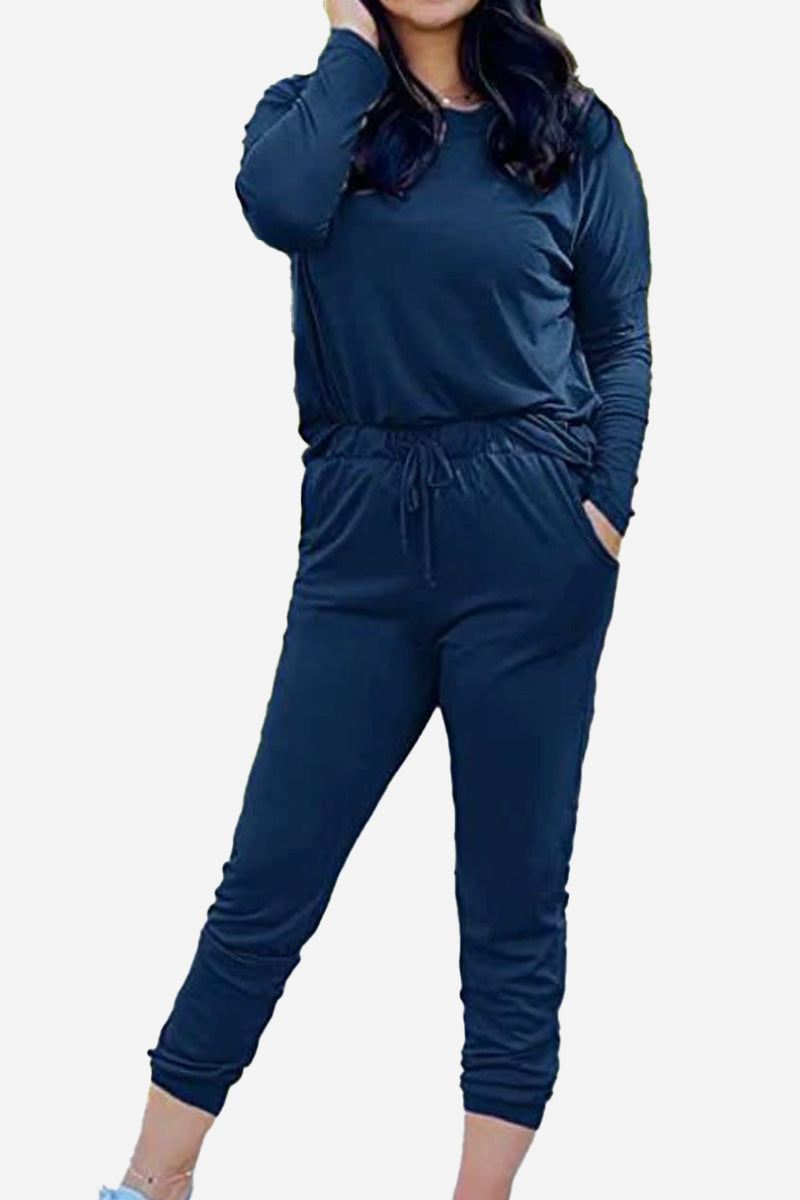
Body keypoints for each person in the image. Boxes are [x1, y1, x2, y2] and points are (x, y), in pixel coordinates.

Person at [99, 1, 652, 1197]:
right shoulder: (310, 116)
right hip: (359, 538)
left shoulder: (571, 131)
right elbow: (279, 209)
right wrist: (350, 44)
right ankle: (151, 1178)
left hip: (530, 539)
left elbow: (618, 340)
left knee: (511, 897)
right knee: (267, 879)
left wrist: (601, 513)